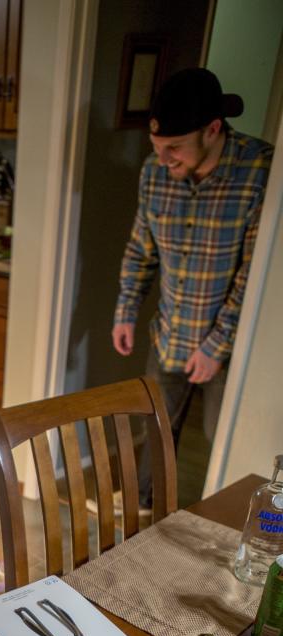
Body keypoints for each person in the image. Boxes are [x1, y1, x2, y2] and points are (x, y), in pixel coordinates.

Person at [112, 68, 274, 509]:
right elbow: (141, 248)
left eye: (174, 148)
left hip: (232, 343)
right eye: (157, 147)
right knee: (156, 425)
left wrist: (215, 345)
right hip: (170, 330)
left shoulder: (261, 171)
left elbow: (254, 274)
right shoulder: (155, 172)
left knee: (225, 441)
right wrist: (126, 309)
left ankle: (222, 522)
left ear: (213, 129)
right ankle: (143, 511)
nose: (163, 160)